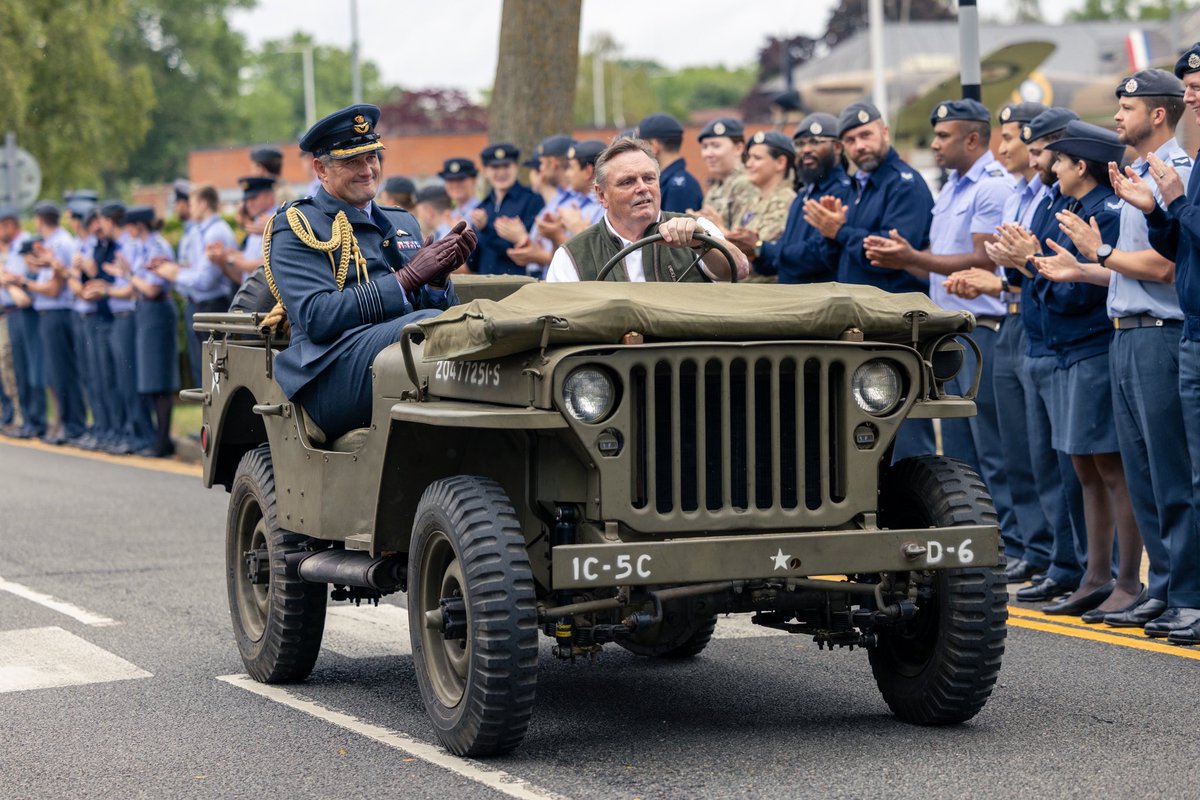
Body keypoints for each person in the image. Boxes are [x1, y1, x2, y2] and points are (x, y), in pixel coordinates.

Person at [264, 104, 476, 441]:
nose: (367, 170)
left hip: (398, 361)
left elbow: (429, 309)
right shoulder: (297, 226)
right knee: (423, 327)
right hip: (329, 373)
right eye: (352, 161)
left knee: (464, 323)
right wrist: (405, 280)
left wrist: (436, 283)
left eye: (372, 157)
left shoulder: (401, 221)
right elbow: (317, 317)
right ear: (321, 169)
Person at [865, 98, 1018, 556]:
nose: (934, 143)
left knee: (991, 448)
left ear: (972, 139)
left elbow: (983, 258)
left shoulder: (991, 186)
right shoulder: (952, 187)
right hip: (949, 333)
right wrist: (904, 260)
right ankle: (976, 538)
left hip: (981, 328)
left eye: (943, 136)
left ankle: (1009, 542)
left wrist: (913, 257)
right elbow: (938, 266)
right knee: (958, 449)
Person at [1025, 121, 1141, 618]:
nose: (1053, 168)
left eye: (1059, 160)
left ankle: (1126, 579)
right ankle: (1095, 576)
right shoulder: (1072, 210)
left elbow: (1078, 293)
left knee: (1111, 468)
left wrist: (1033, 268)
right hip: (1069, 349)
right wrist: (1039, 271)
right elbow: (1055, 283)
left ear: (1080, 165)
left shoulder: (1104, 213)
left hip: (1093, 347)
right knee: (1084, 467)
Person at [944, 100, 1056, 584]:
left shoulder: (1037, 195)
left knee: (1036, 452)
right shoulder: (1018, 195)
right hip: (1008, 321)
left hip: (1018, 322)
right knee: (1011, 451)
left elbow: (1035, 269)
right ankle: (1028, 545)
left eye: (1010, 138)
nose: (1003, 147)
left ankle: (1048, 552)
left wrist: (998, 282)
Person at [1118, 44, 1200, 642]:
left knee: (1180, 475)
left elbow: (1168, 265)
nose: (1191, 94)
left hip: (1165, 329)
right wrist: (1158, 211)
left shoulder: (1182, 168)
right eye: (1188, 85)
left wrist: (1171, 200)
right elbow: (1181, 246)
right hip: (1173, 330)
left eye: (1198, 85)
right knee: (1156, 474)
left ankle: (1185, 593)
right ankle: (1174, 589)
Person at [804, 101, 936, 459]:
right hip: (862, 323)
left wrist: (840, 231)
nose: (860, 145)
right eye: (850, 140)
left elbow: (886, 256)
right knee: (864, 430)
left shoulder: (904, 184)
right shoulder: (856, 187)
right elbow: (842, 256)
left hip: (896, 324)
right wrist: (832, 233)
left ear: (885, 132)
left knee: (906, 429)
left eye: (866, 135)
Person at [545, 137, 748, 282]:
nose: (642, 188)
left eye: (649, 178)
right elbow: (560, 320)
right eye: (627, 182)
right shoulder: (573, 255)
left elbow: (739, 270)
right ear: (602, 195)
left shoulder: (696, 228)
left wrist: (701, 242)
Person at [735, 113, 852, 284]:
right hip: (792, 294)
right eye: (800, 144)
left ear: (837, 147)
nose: (806, 150)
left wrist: (762, 247)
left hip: (822, 296)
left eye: (815, 142)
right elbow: (782, 257)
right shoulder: (803, 196)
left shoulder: (844, 192)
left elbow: (816, 256)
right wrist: (755, 252)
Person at [152, 185, 236, 387]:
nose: (190, 208)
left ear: (204, 204)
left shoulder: (215, 232)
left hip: (212, 305)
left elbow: (206, 280)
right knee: (202, 372)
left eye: (192, 203)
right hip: (200, 304)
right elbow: (195, 268)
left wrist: (175, 274)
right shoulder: (201, 230)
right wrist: (174, 268)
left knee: (214, 376)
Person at [22, 202, 86, 444]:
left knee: (63, 372)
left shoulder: (59, 243)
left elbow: (53, 288)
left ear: (39, 219)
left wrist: (24, 283)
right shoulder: (54, 243)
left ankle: (73, 425)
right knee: (56, 374)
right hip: (51, 313)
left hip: (59, 312)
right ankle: (65, 424)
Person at [121, 206, 179, 458]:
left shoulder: (157, 247)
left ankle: (162, 440)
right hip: (145, 310)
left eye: (130, 225)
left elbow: (152, 288)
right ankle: (158, 438)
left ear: (139, 225)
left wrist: (128, 274)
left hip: (157, 310)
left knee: (159, 378)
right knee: (150, 379)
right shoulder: (141, 247)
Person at [727, 131, 797, 281]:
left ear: (780, 163)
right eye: (748, 158)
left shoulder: (787, 201)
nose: (748, 164)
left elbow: (754, 251)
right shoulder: (753, 200)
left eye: (757, 158)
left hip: (762, 289)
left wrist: (719, 230)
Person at [468, 143, 544, 276]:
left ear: (516, 167)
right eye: (495, 167)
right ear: (485, 171)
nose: (501, 173)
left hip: (518, 283)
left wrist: (486, 229)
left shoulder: (532, 200)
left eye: (506, 166)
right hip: (485, 283)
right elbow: (473, 262)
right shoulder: (482, 207)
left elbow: (521, 251)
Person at [1, 209, 43, 439]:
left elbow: (20, 279)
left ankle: (36, 419)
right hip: (12, 312)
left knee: (31, 366)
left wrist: (7, 280)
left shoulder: (26, 243)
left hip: (26, 310)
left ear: (9, 224)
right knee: (19, 368)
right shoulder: (10, 248)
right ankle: (26, 419)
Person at [534, 140, 608, 253]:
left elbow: (596, 255)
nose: (567, 173)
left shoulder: (604, 206)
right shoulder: (575, 202)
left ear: (588, 171)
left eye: (571, 168)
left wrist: (558, 236)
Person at [210, 176, 277, 284]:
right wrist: (227, 254)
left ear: (269, 196)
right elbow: (251, 257)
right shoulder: (258, 220)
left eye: (253, 198)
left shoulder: (276, 220)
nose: (249, 204)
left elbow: (268, 264)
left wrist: (230, 260)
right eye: (247, 199)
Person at [696, 117, 756, 230]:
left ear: (738, 148)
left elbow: (739, 237)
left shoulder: (745, 183)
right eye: (705, 147)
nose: (708, 153)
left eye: (716, 146)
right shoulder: (717, 185)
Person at [637, 113, 704, 213]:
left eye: (641, 145)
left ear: (654, 146)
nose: (638, 151)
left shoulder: (677, 187)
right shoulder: (670, 181)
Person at [439, 158, 481, 225]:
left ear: (474, 180)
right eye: (450, 180)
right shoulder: (451, 215)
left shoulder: (483, 211)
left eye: (461, 179)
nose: (455, 185)